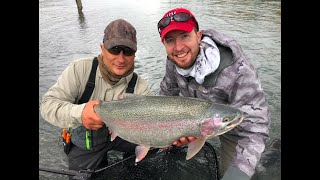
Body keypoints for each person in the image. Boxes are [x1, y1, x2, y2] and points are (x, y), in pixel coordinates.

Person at [157, 8, 271, 180]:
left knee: (238, 173)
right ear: (164, 44)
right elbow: (167, 93)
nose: (178, 47)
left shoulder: (237, 70)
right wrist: (162, 132)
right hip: (193, 122)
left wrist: (238, 173)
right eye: (170, 40)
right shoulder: (174, 60)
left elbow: (256, 127)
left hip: (235, 129)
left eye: (185, 36)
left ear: (198, 35)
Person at [40, 19, 154, 179]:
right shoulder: (79, 70)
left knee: (150, 154)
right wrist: (80, 113)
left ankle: (133, 164)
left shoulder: (141, 87)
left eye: (127, 51)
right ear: (102, 48)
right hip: (86, 142)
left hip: (126, 136)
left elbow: (152, 124)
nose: (121, 59)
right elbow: (47, 105)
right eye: (114, 50)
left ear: (135, 54)